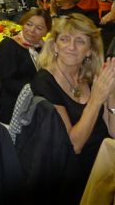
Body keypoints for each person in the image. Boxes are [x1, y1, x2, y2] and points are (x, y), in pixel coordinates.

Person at [30, 13, 115, 204]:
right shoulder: (44, 82)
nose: (71, 47)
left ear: (90, 50)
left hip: (103, 166)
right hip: (73, 175)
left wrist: (110, 94)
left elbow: (113, 131)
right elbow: (74, 146)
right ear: (55, 46)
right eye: (65, 39)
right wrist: (96, 100)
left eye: (80, 41)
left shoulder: (91, 77)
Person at [0, 9, 51, 123]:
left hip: (36, 100)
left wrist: (47, 49)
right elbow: (5, 81)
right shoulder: (9, 45)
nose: (32, 30)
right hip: (12, 103)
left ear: (46, 32)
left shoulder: (42, 49)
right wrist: (38, 91)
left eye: (39, 28)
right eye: (29, 24)